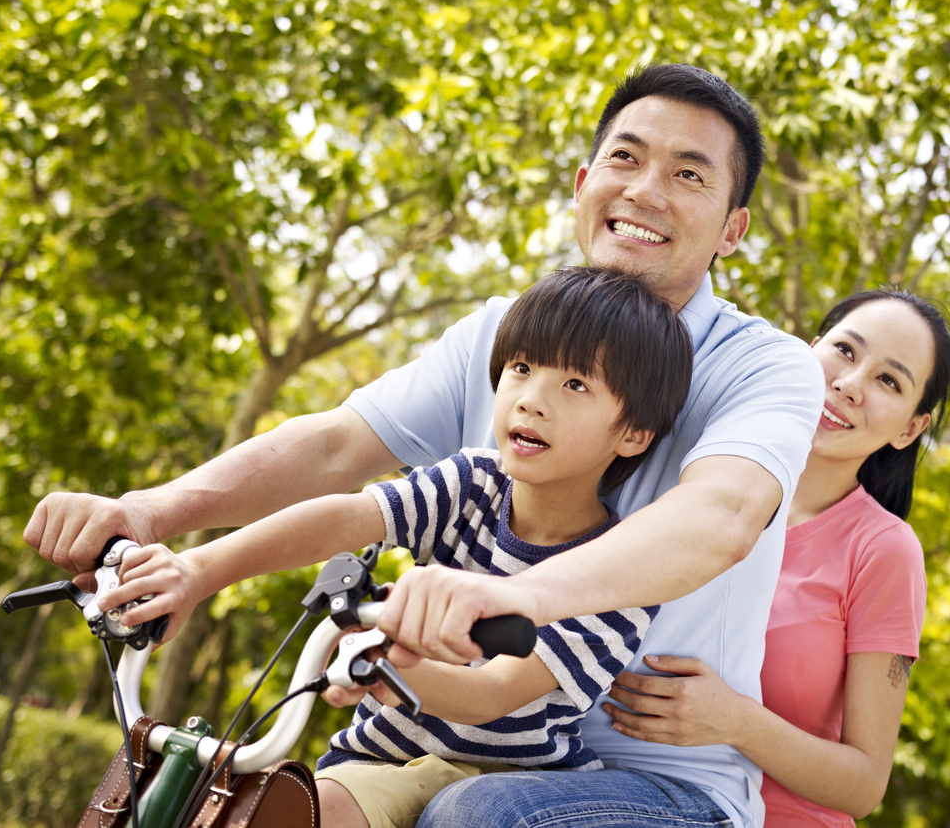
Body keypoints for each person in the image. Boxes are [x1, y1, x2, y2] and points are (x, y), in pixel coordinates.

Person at [24, 63, 826, 828]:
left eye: (689, 174)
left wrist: (515, 598)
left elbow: (720, 515)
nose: (645, 190)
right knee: (258, 799)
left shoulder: (764, 364)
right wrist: (151, 516)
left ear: (732, 229)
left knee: (469, 813)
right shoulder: (508, 337)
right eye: (625, 156)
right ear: (583, 186)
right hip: (420, 745)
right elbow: (339, 451)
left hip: (659, 785)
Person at [97, 266, 694, 828]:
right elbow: (348, 517)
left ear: (634, 432)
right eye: (520, 367)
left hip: (510, 784)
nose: (531, 398)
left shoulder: (621, 569)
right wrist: (200, 570)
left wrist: (389, 667)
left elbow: (493, 693)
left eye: (574, 383)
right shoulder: (470, 484)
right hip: (378, 761)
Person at [598, 289, 950, 827]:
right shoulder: (690, 478)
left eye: (889, 381)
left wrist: (738, 721)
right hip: (606, 791)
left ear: (911, 427)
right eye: (845, 351)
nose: (849, 385)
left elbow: (864, 785)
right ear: (806, 350)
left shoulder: (883, 550)